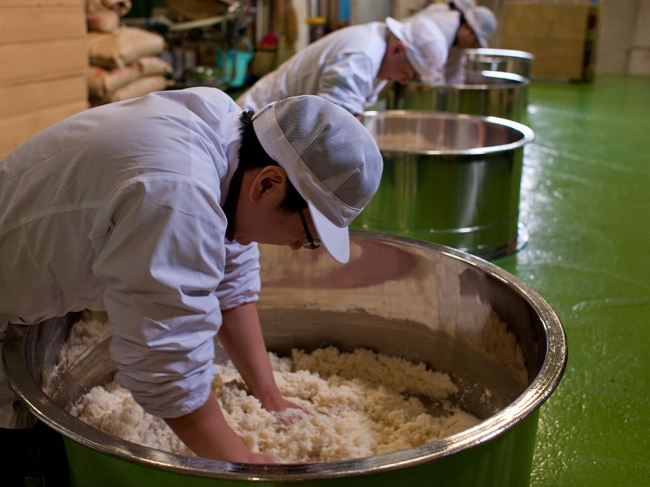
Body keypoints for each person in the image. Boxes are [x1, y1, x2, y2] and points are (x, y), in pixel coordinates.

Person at [0, 88, 383, 473]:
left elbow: (231, 280)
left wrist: (270, 396)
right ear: (268, 184)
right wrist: (244, 462)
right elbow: (166, 363)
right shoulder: (178, 192)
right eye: (310, 232)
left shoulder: (227, 134)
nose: (301, 246)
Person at [236, 14, 456, 117]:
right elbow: (337, 127)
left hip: (278, 125)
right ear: (398, 49)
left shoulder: (381, 46)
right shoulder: (362, 56)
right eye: (407, 73)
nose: (403, 80)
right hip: (253, 123)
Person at [410, 1, 498, 85]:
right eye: (475, 41)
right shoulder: (443, 29)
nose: (473, 45)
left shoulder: (457, 39)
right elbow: (432, 74)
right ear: (467, 28)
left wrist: (455, 94)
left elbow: (454, 72)